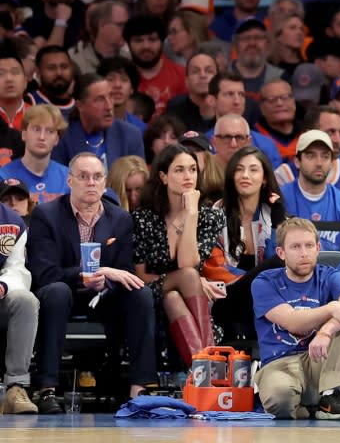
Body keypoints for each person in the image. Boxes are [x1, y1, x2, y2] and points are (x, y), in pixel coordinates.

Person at [28, 153, 157, 413]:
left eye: (97, 177)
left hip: (104, 296)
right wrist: (89, 274)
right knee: (55, 292)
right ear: (70, 180)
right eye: (83, 176)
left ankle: (141, 386)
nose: (91, 182)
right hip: (64, 292)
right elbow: (45, 273)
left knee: (140, 293)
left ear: (105, 181)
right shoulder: (46, 214)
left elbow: (124, 272)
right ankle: (47, 389)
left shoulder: (120, 219)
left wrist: (106, 278)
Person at [252, 217, 340, 420]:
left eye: (309, 245)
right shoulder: (264, 281)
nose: (304, 253)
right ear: (281, 253)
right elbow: (293, 321)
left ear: (317, 248)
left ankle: (330, 397)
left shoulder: (329, 275)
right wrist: (332, 308)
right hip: (279, 363)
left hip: (318, 361)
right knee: (281, 400)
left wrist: (326, 331)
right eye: (295, 247)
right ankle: (307, 406)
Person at [132, 144, 225, 365]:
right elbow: (141, 275)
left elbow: (187, 261)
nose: (188, 176)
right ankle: (211, 361)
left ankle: (201, 368)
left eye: (193, 170)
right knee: (188, 277)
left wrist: (191, 213)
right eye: (179, 170)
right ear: (163, 177)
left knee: (174, 296)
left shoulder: (209, 217)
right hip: (148, 293)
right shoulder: (144, 218)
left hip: (185, 301)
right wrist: (175, 281)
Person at [204, 146, 287, 341]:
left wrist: (278, 219)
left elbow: (278, 267)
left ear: (265, 178)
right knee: (278, 262)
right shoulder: (214, 213)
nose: (245, 175)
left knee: (282, 261)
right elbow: (213, 269)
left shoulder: (273, 213)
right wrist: (255, 280)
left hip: (263, 299)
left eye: (253, 169)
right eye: (239, 169)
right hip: (225, 296)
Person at [280, 130, 340, 257]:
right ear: (297, 161)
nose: (319, 163)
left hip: (333, 275)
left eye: (325, 156)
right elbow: (273, 253)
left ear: (332, 162)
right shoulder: (280, 201)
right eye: (311, 156)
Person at [51, 73, 145, 169]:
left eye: (110, 97)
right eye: (100, 100)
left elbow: (138, 180)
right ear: (80, 105)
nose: (109, 106)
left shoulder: (130, 135)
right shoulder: (62, 138)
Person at [0, 194, 37, 413]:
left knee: (25, 300)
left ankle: (16, 387)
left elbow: (17, 269)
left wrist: (3, 285)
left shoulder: (12, 222)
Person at [0, 105, 69, 204]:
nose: (42, 137)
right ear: (24, 134)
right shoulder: (3, 176)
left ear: (57, 139)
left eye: (50, 131)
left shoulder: (68, 178)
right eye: (36, 129)